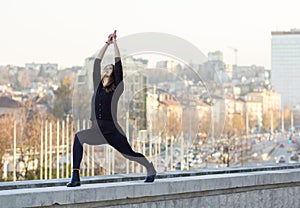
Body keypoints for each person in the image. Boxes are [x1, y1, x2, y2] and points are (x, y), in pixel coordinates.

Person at [67, 30, 156, 187]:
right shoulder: (97, 87)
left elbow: (118, 65)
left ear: (113, 73)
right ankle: (75, 176)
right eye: (105, 69)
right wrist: (106, 43)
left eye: (109, 68)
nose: (106, 69)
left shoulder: (117, 89)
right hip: (97, 130)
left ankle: (149, 167)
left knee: (130, 155)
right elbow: (96, 63)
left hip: (112, 131)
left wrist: (115, 44)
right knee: (78, 138)